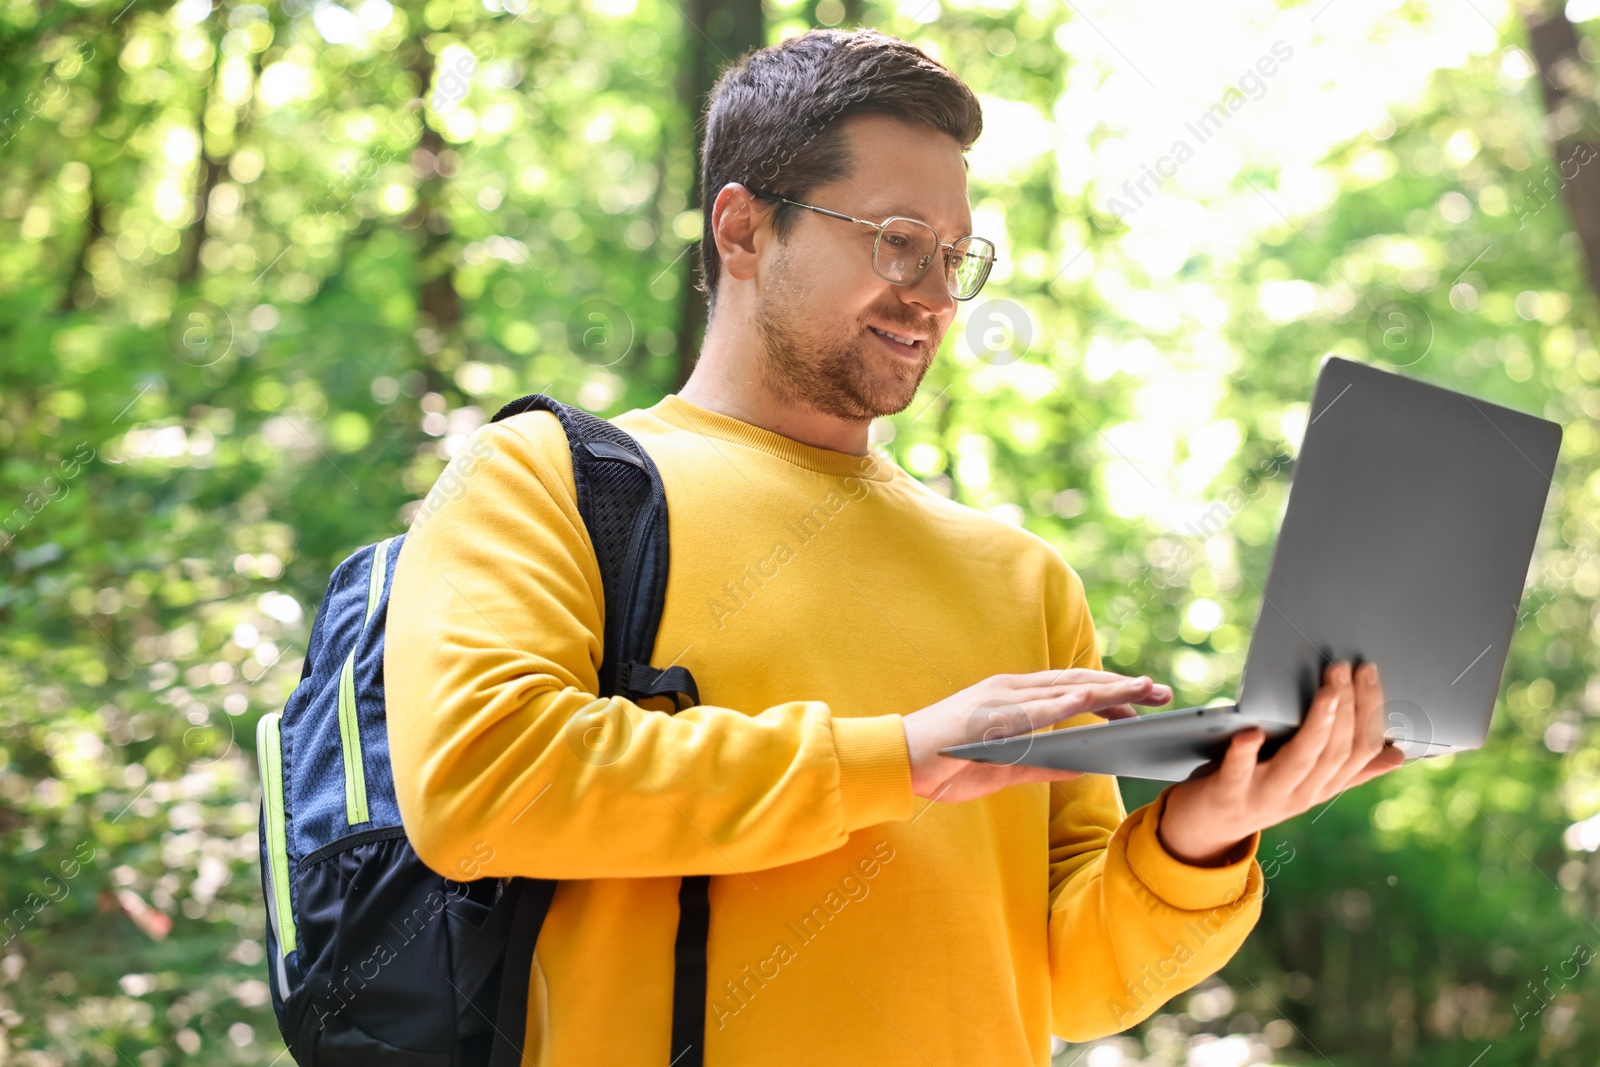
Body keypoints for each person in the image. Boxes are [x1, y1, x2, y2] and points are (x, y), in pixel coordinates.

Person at [384, 26, 1406, 1066]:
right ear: (742, 228)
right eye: (896, 240)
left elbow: (1077, 981)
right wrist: (904, 754)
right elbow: (483, 787)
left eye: (954, 256)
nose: (931, 293)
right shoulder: (546, 475)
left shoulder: (1020, 576)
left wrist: (1206, 832)